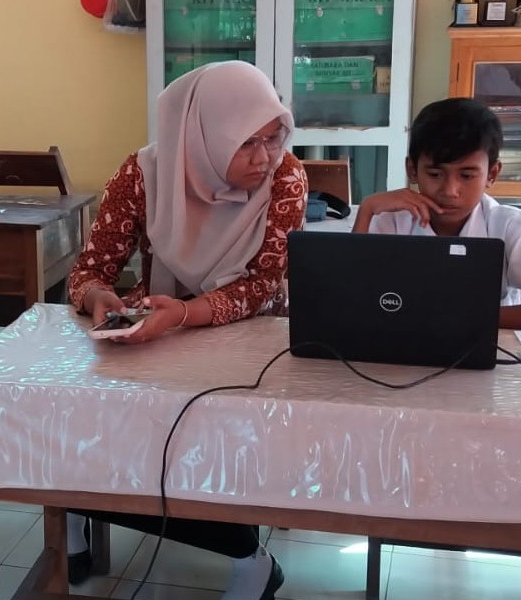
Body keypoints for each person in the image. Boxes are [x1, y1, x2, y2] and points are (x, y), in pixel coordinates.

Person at [66, 61, 307, 600]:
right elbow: (89, 271)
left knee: (222, 436)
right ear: (204, 134)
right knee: (95, 419)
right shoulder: (143, 174)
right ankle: (76, 507)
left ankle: (246, 555)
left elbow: (262, 286)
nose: (265, 157)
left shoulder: (285, 178)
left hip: (249, 336)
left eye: (274, 138)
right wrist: (99, 298)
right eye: (247, 143)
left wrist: (182, 313)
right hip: (157, 332)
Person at [353, 97, 521, 329]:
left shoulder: (509, 226)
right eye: (435, 174)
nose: (450, 191)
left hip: (488, 344)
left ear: (491, 174)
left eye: (467, 175)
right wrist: (366, 210)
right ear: (412, 170)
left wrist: (458, 317)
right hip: (404, 340)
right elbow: (350, 293)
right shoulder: (391, 221)